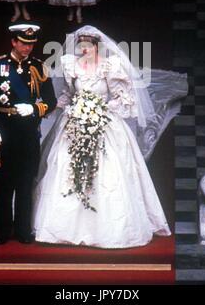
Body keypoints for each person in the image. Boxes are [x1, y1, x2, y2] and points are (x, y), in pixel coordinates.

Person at [32, 25, 188, 248]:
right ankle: (62, 227)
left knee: (110, 170)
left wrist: (99, 111)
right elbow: (68, 93)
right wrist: (61, 107)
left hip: (105, 123)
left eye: (88, 46)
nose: (83, 49)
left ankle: (110, 229)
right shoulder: (70, 64)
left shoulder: (110, 66)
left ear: (97, 47)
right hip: (74, 122)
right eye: (81, 45)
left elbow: (124, 99)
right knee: (65, 167)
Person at [0, 24, 57, 245]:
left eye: (31, 44)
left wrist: (35, 109)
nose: (27, 48)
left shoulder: (40, 67)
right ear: (13, 41)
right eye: (23, 43)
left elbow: (51, 102)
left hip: (29, 132)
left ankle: (23, 229)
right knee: (5, 182)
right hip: (5, 129)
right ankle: (3, 230)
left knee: (25, 182)